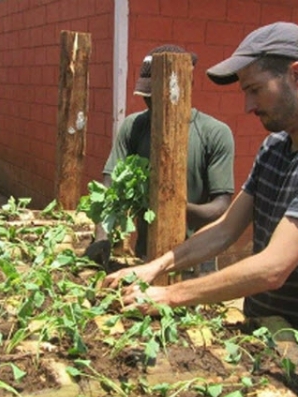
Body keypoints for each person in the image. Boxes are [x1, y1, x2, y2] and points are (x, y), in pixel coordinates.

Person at [103, 22, 298, 374]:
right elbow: (226, 228)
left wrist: (168, 296)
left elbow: (273, 267)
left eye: (255, 90)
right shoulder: (276, 146)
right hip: (263, 335)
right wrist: (156, 267)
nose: (247, 105)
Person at [86, 44, 235, 271]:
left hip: (196, 259)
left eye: (158, 97)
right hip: (148, 255)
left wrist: (173, 208)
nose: (151, 104)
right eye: (147, 96)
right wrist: (102, 237)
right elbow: (109, 187)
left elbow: (221, 205)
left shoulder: (214, 133)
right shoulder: (134, 127)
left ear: (188, 86)